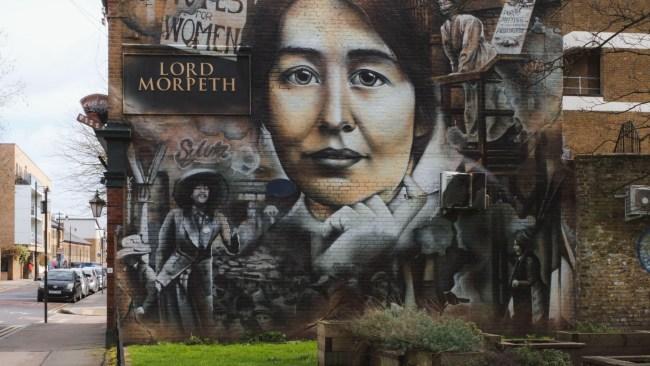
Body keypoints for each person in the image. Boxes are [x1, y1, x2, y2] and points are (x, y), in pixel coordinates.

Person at [239, 0, 463, 331]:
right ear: (264, 106)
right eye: (301, 76)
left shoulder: (468, 230)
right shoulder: (264, 246)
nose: (334, 118)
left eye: (369, 77)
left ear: (423, 114)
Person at [155, 169, 238, 335]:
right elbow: (162, 248)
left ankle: (206, 341)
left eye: (206, 189)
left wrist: (235, 236)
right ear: (190, 193)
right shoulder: (176, 216)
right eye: (199, 188)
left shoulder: (218, 218)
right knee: (180, 312)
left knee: (205, 311)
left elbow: (231, 246)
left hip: (203, 272)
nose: (203, 192)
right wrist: (160, 275)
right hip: (176, 271)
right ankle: (184, 342)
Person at [509, 228, 546, 329]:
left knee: (525, 323)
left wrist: (518, 282)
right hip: (522, 298)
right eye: (514, 244)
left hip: (529, 299)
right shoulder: (521, 259)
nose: (514, 247)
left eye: (516, 244)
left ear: (523, 245)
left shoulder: (529, 260)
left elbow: (531, 281)